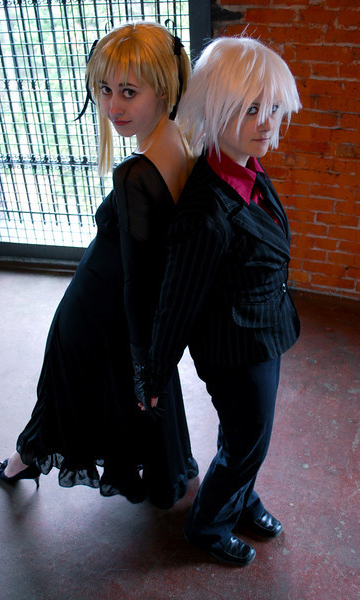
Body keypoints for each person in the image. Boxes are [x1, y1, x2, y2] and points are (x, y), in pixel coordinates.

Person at [0, 21, 198, 509]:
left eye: (128, 92)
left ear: (164, 88)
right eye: (105, 90)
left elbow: (136, 279)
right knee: (110, 397)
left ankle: (23, 459)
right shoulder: (184, 142)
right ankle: (32, 459)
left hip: (99, 311)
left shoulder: (135, 174)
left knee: (68, 395)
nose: (112, 107)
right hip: (121, 312)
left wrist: (143, 360)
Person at [133, 36, 301, 563]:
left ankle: (240, 497)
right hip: (235, 349)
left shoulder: (246, 167)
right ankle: (207, 525)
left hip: (260, 328)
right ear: (216, 108)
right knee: (248, 440)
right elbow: (176, 303)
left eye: (273, 108)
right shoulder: (206, 213)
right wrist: (153, 375)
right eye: (251, 109)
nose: (267, 123)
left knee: (245, 435)